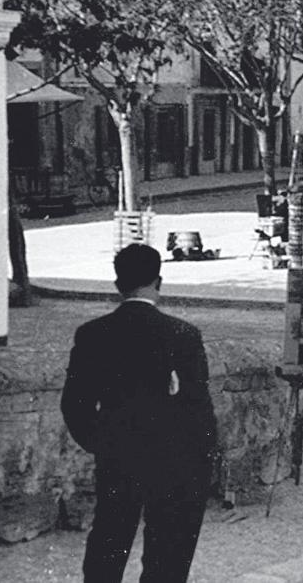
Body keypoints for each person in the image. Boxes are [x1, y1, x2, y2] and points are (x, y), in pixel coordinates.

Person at [62, 244, 218, 582]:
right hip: (173, 460)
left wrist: (101, 442)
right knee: (167, 553)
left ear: (118, 284)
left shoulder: (93, 334)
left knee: (108, 542)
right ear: (158, 281)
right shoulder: (183, 335)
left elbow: (75, 405)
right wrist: (203, 458)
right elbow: (199, 408)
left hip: (117, 455)